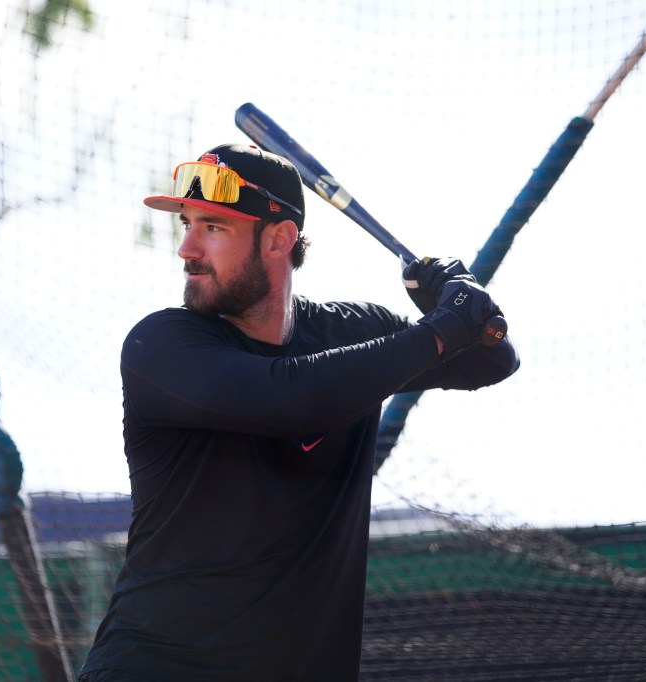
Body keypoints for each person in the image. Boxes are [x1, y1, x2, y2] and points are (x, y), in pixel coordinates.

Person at [78, 143, 519, 681]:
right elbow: (292, 397)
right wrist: (446, 327)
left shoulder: (351, 333)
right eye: (187, 224)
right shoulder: (163, 346)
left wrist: (455, 297)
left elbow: (494, 360)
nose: (187, 248)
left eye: (212, 228)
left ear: (279, 239)